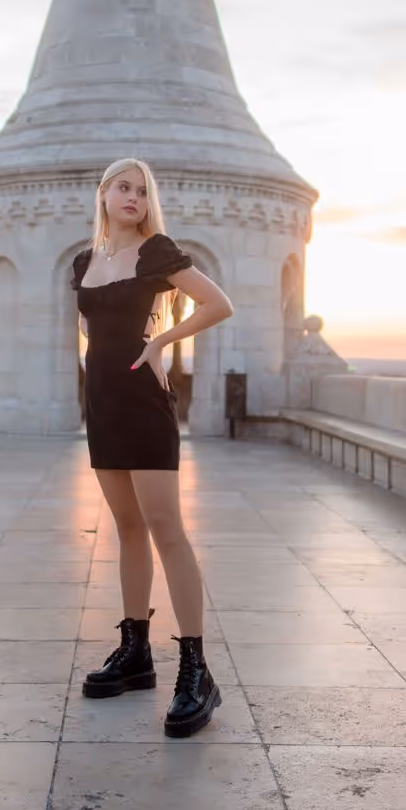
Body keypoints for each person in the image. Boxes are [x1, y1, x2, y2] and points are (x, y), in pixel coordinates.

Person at [69, 157, 234, 737]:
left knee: (167, 529)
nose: (133, 196)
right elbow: (95, 330)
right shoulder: (85, 262)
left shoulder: (156, 250)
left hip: (143, 403)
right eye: (123, 187)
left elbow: (218, 304)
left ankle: (196, 670)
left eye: (142, 190)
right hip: (104, 405)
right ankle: (135, 651)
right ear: (104, 195)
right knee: (128, 528)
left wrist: (161, 339)